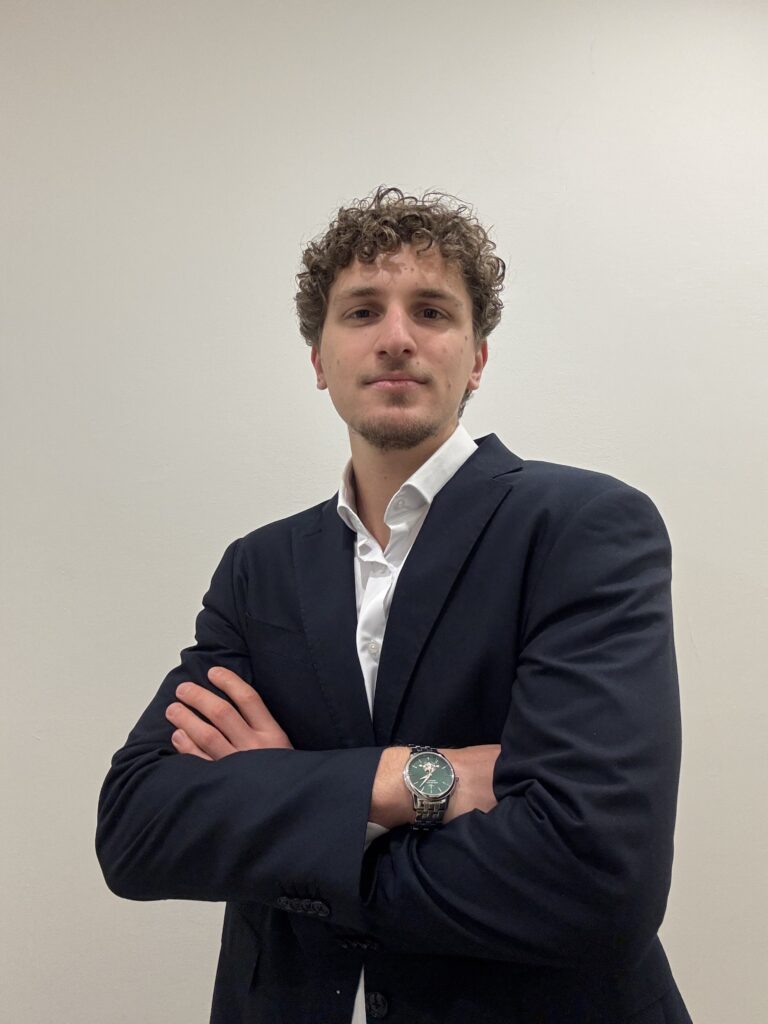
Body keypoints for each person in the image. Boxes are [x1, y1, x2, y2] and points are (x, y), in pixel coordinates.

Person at [96, 185, 692, 1024]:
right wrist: (422, 781)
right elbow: (137, 829)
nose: (397, 338)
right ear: (319, 360)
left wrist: (287, 809)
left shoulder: (582, 528)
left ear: (476, 359)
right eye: (362, 311)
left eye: (433, 312)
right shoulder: (259, 569)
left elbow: (594, 880)